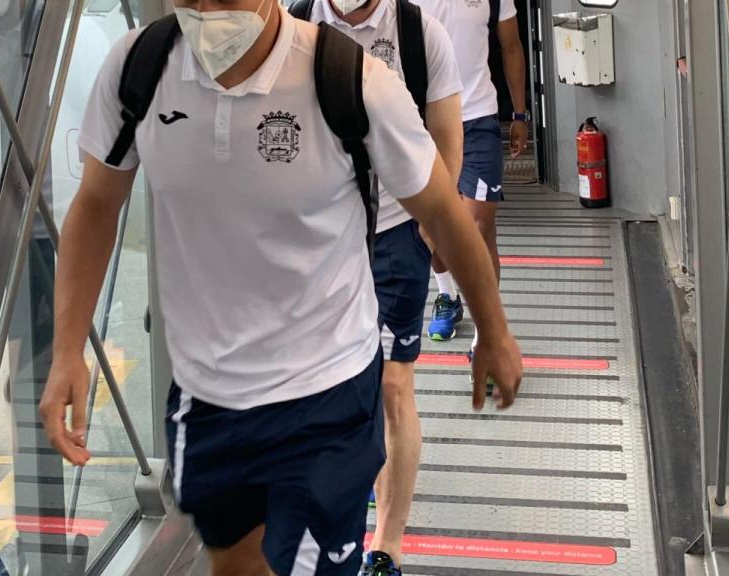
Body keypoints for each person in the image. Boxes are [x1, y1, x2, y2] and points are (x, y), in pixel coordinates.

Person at [39, 0, 523, 574]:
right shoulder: (137, 70)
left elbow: (444, 210)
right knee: (237, 563)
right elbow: (96, 204)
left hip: (327, 390)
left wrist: (493, 330)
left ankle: (383, 541)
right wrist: (68, 348)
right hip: (206, 395)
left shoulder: (352, 81)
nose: (207, 7)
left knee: (311, 557)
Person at [296, 0, 462, 573]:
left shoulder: (420, 37)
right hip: (315, 240)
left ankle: (385, 547)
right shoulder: (294, 28)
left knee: (393, 387)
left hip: (394, 234)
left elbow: (446, 136)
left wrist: (429, 226)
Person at [416, 0, 530, 348]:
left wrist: (520, 115)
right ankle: (448, 295)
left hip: (478, 117)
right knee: (431, 225)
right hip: (424, 119)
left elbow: (511, 47)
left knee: (480, 225)